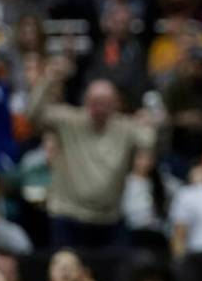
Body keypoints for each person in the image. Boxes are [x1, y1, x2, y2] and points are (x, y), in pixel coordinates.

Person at [28, 65, 154, 248]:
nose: (99, 108)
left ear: (116, 104)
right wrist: (47, 81)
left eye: (105, 102)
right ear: (86, 101)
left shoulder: (126, 127)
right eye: (95, 102)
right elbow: (33, 115)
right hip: (67, 215)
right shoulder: (69, 121)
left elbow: (150, 140)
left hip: (110, 219)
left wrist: (151, 121)